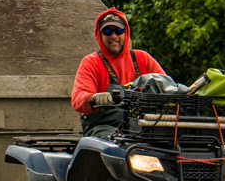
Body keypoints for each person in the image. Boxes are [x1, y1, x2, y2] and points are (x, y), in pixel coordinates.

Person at [71, 7, 166, 137]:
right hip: (104, 130)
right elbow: (77, 99)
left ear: (125, 33)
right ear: (99, 35)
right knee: (115, 146)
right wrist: (93, 99)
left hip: (142, 129)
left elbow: (166, 86)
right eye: (107, 31)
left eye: (119, 31)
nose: (113, 36)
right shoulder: (91, 62)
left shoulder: (142, 59)